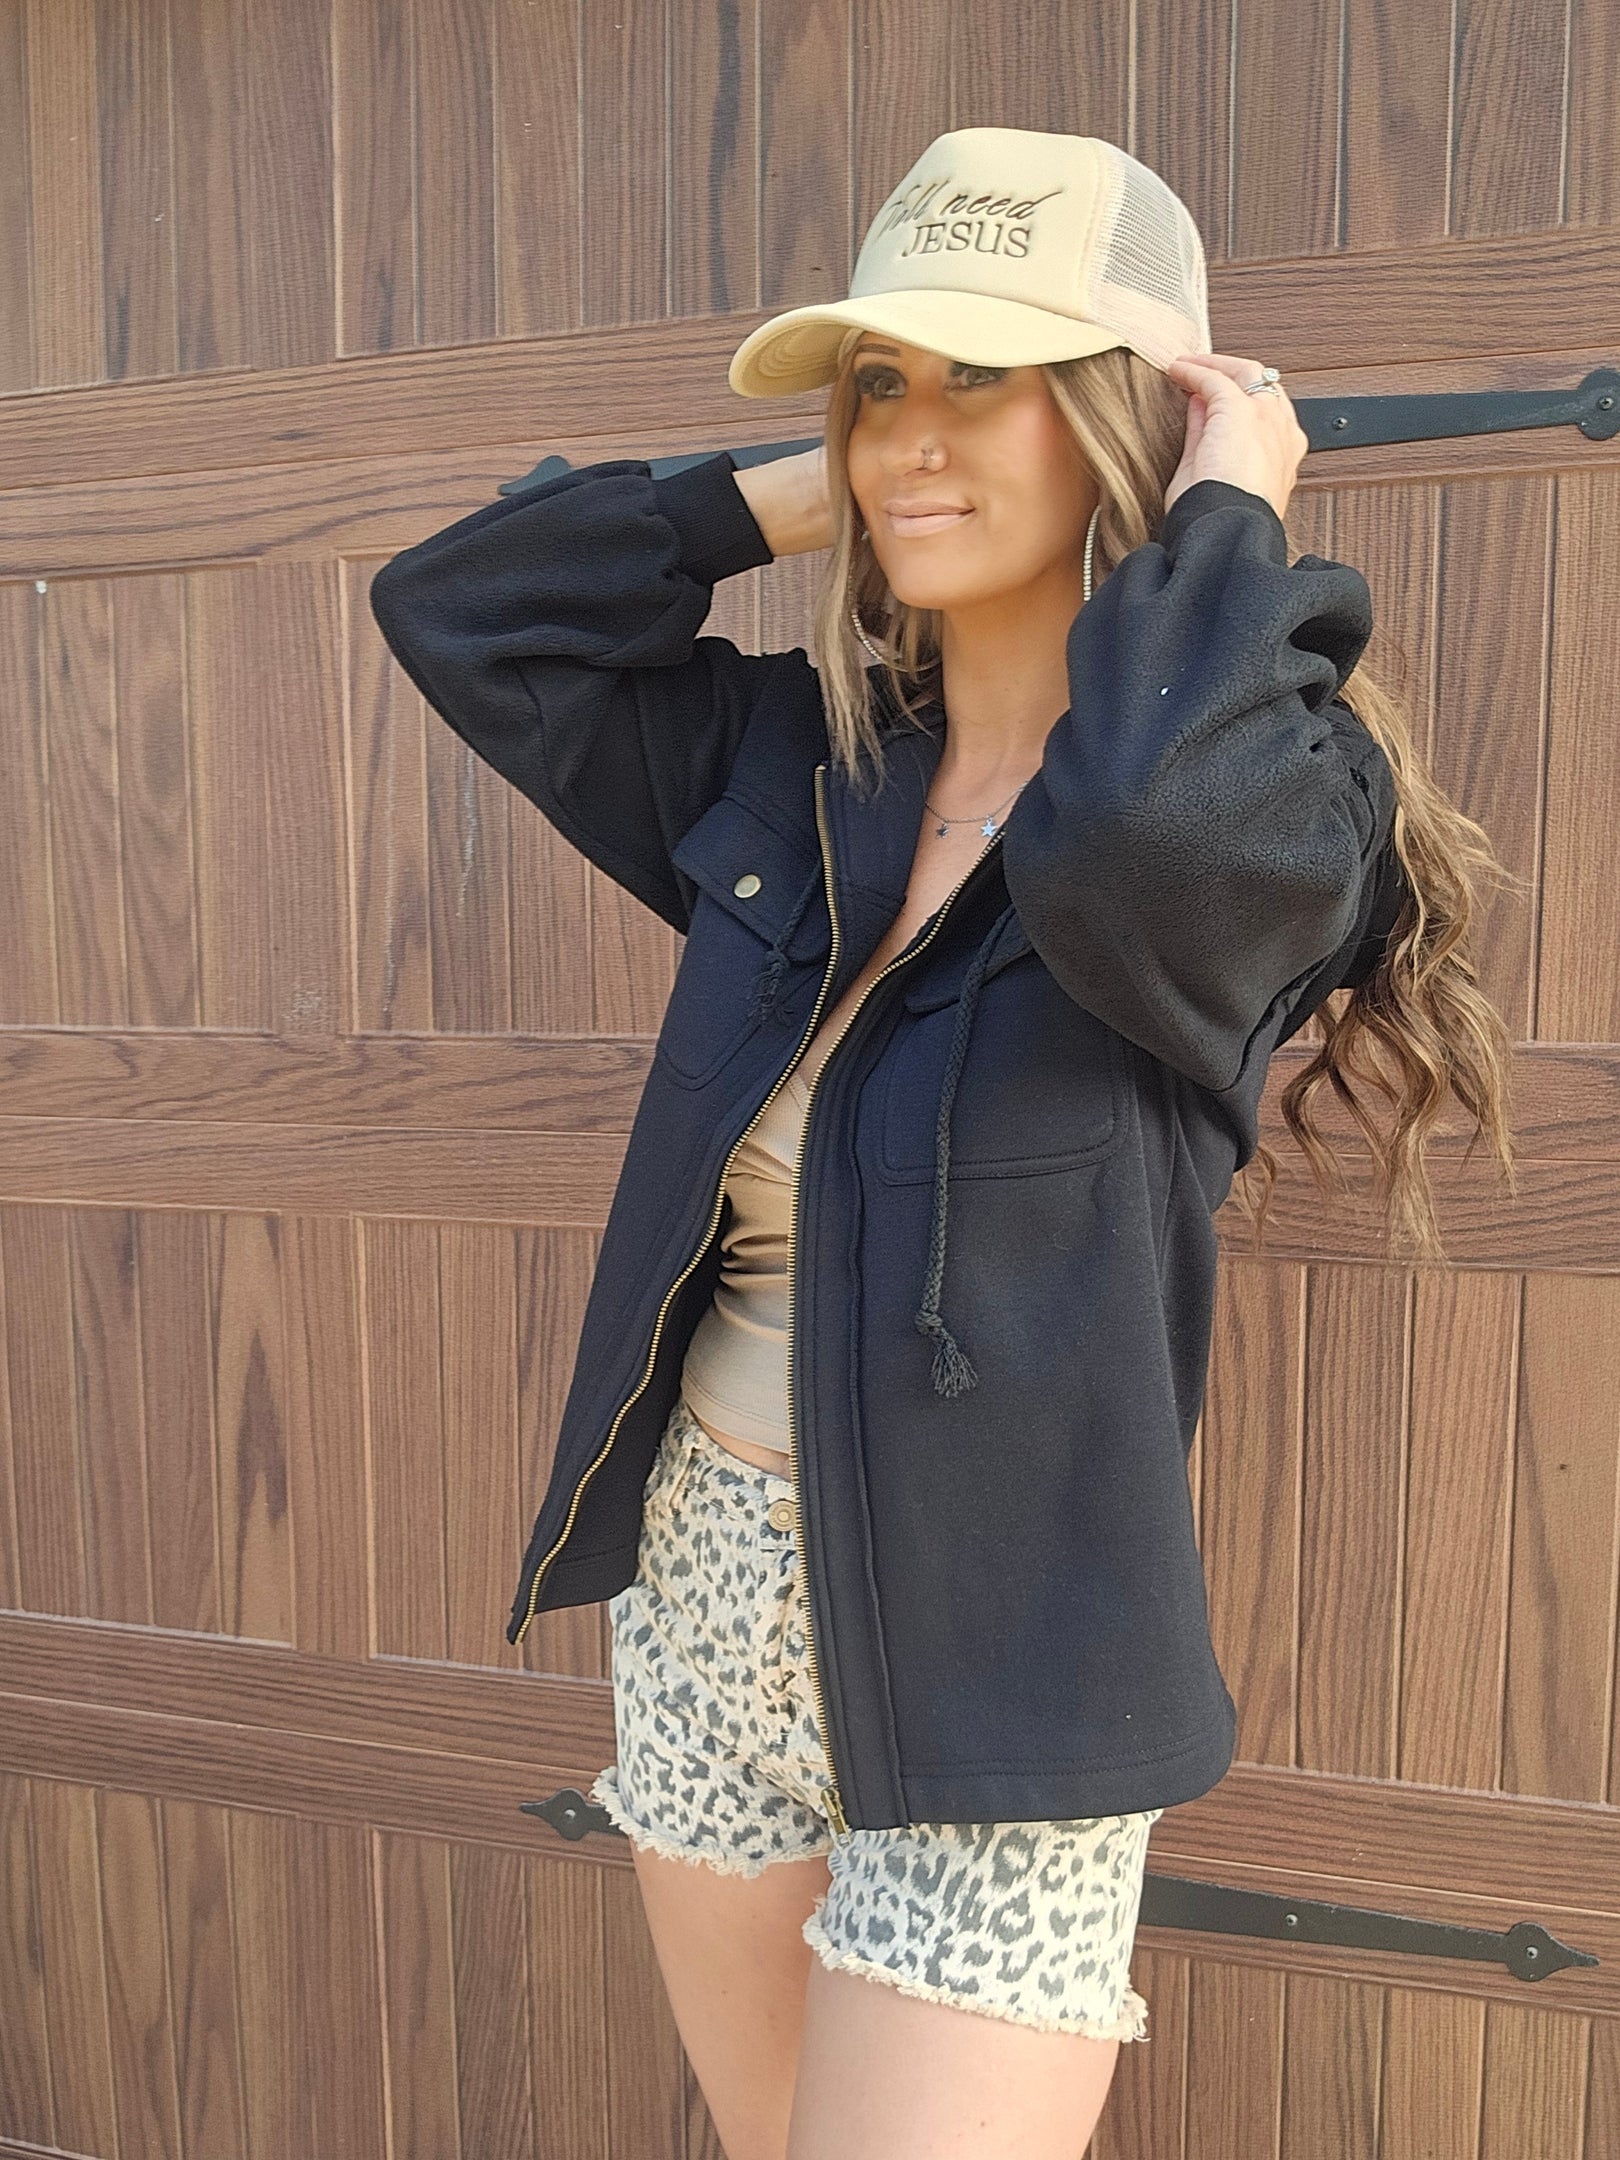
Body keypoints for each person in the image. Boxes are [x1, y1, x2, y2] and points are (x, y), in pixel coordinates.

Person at [370, 127, 1517, 2160]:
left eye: (986, 378)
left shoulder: (1275, 810)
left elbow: (1132, 828)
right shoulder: (796, 767)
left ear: (1131, 416)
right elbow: (462, 613)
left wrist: (1224, 511)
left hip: (1004, 1667)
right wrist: (819, 481)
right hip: (706, 1600)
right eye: (881, 377)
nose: (913, 428)